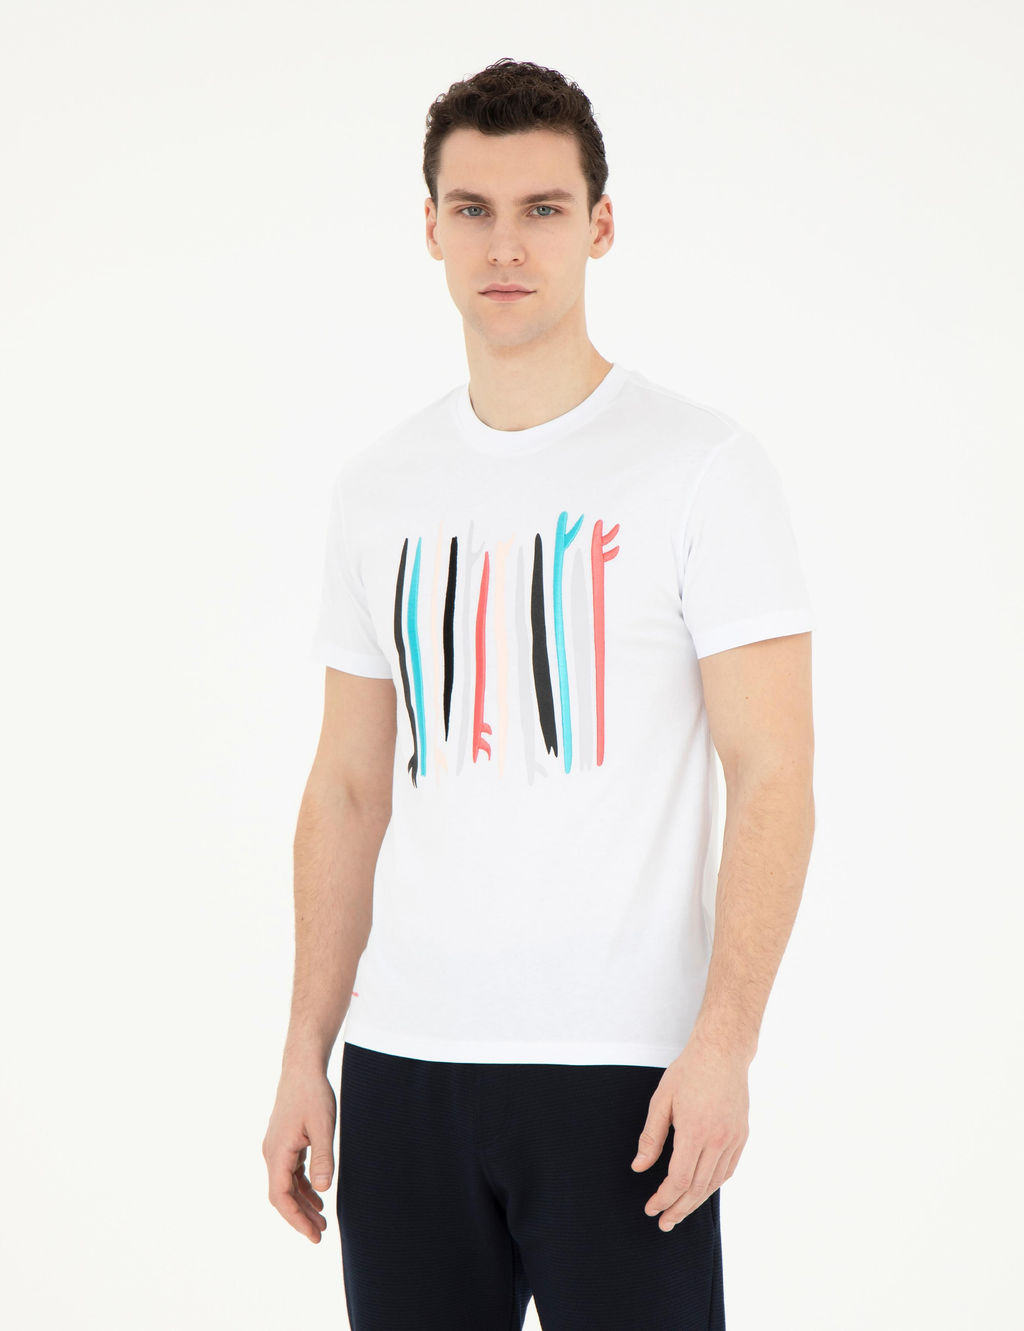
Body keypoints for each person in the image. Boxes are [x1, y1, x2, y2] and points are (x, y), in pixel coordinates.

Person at [262, 56, 816, 1331]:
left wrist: (725, 1041)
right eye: (472, 209)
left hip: (623, 1076)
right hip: (405, 1068)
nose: (504, 244)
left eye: (542, 208)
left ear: (599, 225)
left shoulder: (701, 467)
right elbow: (346, 785)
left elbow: (773, 773)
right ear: (430, 227)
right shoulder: (379, 487)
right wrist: (305, 1049)